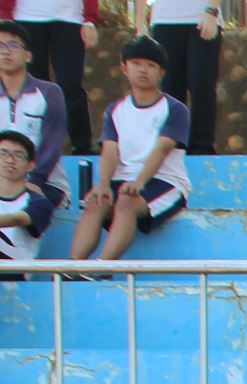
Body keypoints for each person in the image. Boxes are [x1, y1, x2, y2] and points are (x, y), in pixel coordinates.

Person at [71, 36, 188, 263]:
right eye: (136, 63)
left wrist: (140, 182)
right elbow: (110, 151)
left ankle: (102, 269)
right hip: (123, 180)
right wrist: (103, 184)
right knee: (95, 202)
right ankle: (72, 269)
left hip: (165, 181)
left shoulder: (175, 109)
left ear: (161, 72)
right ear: (124, 68)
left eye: (150, 65)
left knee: (127, 202)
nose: (143, 70)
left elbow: (162, 149)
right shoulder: (115, 109)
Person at [2, 2, 87, 161]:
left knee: (70, 84)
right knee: (32, 89)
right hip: (26, 16)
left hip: (69, 17)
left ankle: (82, 148)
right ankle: (28, 150)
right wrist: (5, 13)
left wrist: (89, 20)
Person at [0, 22, 71, 211]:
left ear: (28, 55)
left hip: (45, 184)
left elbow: (52, 145)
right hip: (3, 184)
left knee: (17, 205)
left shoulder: (49, 92)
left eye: (13, 45)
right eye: (0, 46)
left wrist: (33, 180)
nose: (5, 51)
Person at [148, 0, 216, 154]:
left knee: (201, 84)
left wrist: (212, 10)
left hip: (202, 17)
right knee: (171, 87)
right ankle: (174, 146)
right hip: (165, 20)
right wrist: (140, 24)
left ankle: (202, 149)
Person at [0, 127, 53, 262]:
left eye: (18, 155)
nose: (10, 160)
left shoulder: (40, 203)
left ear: (30, 165)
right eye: (3, 153)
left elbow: (17, 219)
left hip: (15, 269)